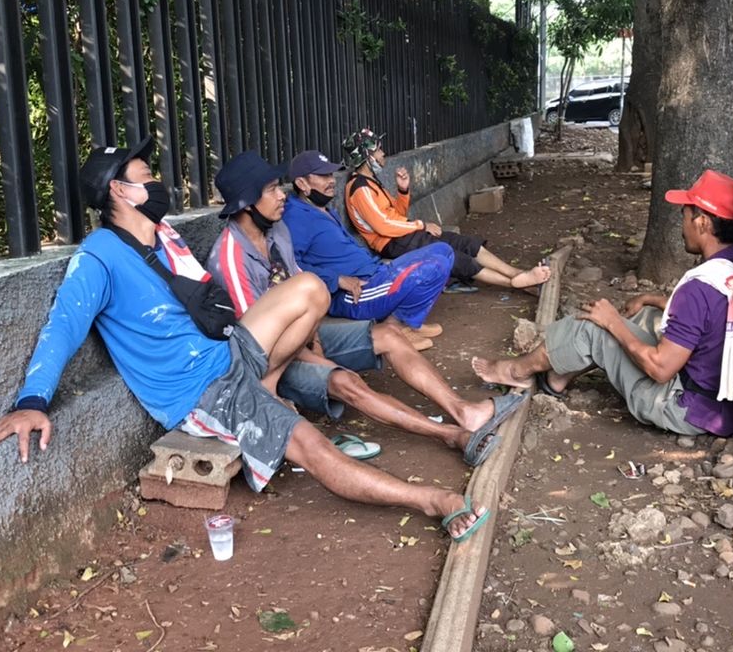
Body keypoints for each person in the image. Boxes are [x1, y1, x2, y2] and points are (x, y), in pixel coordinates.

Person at [0, 139, 490, 542]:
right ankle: (432, 500)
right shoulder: (97, 258)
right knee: (308, 445)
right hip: (204, 391)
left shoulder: (164, 236)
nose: (155, 183)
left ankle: (269, 386)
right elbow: (62, 326)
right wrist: (32, 401)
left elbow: (213, 304)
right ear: (118, 191)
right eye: (145, 177)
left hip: (228, 351)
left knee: (308, 289)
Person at [206, 151, 524, 467]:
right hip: (270, 362)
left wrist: (314, 332)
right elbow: (258, 348)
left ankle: (463, 411)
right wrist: (319, 358)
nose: (282, 195)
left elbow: (297, 279)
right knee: (345, 381)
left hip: (303, 333)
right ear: (247, 203)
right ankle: (448, 434)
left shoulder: (277, 231)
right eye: (272, 189)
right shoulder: (231, 258)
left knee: (389, 335)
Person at [470, 169, 733, 438]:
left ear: (703, 223)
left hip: (682, 407)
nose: (681, 224)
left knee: (592, 327)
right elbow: (707, 318)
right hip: (721, 406)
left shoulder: (697, 289)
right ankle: (557, 378)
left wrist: (612, 322)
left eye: (684, 214)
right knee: (647, 314)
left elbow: (661, 369)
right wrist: (650, 299)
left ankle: (517, 370)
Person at [341, 128, 551, 293]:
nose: (383, 153)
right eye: (378, 150)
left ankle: (517, 273)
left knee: (464, 243)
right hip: (392, 243)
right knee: (452, 255)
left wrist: (403, 190)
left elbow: (397, 214)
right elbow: (383, 225)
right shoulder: (360, 189)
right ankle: (514, 283)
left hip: (404, 235)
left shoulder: (371, 182)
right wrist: (421, 225)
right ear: (367, 157)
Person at [282, 149, 453, 350]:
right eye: (323, 176)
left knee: (443, 250)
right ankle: (395, 328)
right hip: (353, 292)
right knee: (434, 267)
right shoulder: (295, 218)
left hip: (374, 272)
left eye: (330, 174)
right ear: (302, 183)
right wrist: (336, 279)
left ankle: (406, 324)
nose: (331, 181)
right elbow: (290, 266)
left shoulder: (323, 208)